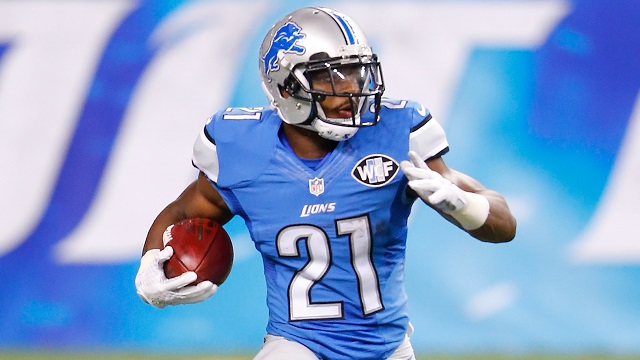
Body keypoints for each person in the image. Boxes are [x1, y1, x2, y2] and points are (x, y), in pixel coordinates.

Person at [135, 6, 516, 360]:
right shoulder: (243, 147)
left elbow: (504, 226)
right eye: (329, 75)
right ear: (286, 88)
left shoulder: (398, 134)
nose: (350, 88)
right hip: (297, 345)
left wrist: (462, 204)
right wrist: (151, 265)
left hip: (386, 349)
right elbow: (184, 211)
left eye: (353, 71)